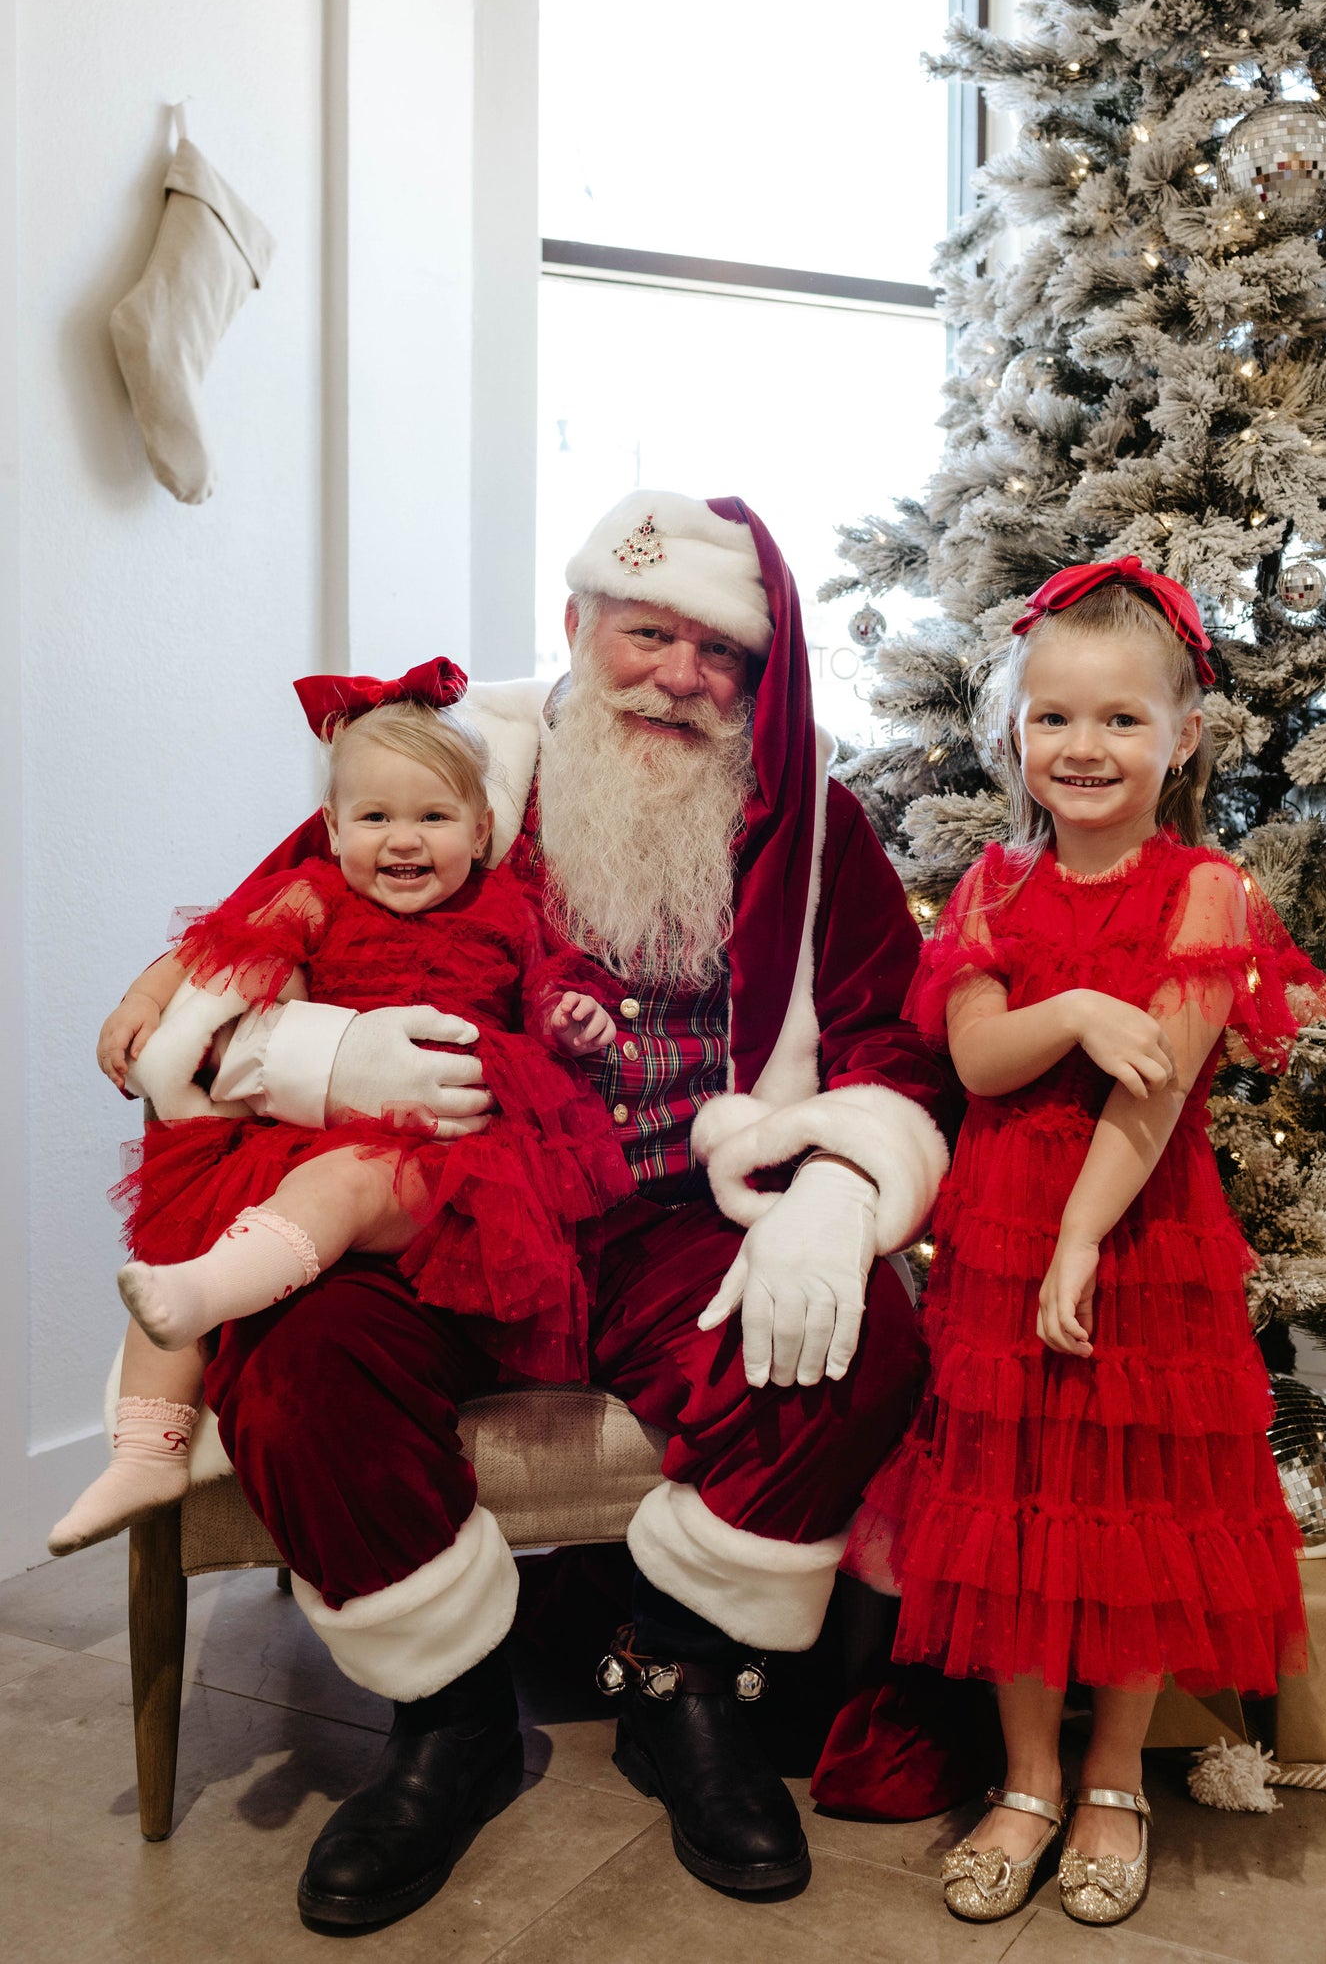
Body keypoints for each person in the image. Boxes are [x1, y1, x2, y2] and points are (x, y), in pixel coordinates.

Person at [89, 492, 953, 1931]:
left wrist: (843, 1187)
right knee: (298, 1373)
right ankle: (452, 1716)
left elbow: (887, 1041)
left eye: (718, 653)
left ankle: (686, 1685)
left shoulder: (815, 826)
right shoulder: (452, 769)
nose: (677, 674)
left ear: (760, 676)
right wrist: (331, 1057)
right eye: (645, 631)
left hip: (676, 1215)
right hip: (438, 1205)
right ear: (575, 627)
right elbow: (210, 1000)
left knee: (855, 1347)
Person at [843, 558, 1326, 1929]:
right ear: (1014, 733)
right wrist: (1065, 1012)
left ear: (1183, 736)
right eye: (1054, 717)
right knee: (1008, 1503)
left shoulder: (1207, 889)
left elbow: (1156, 1092)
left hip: (1136, 1238)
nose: (1085, 746)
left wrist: (1076, 1245)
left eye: (1122, 719)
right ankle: (1029, 1776)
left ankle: (1115, 1773)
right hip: (1001, 1238)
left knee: (1130, 1512)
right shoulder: (995, 885)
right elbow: (986, 1058)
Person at [52, 664, 630, 1558]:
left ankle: (206, 1292)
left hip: (455, 1152)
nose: (403, 841)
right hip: (314, 1124)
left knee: (350, 1179)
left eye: (433, 817)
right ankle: (145, 1449)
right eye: (374, 818)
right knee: (186, 1229)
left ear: (482, 830)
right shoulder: (315, 897)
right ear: (330, 829)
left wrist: (571, 1015)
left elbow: (554, 980)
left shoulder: (511, 906)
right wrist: (147, 996)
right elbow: (221, 945)